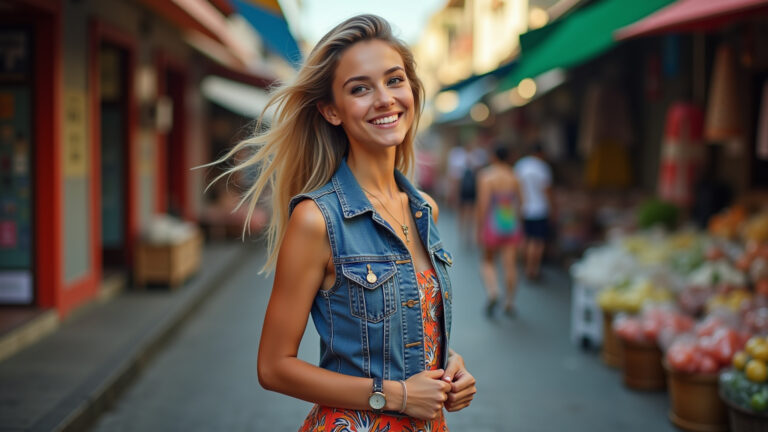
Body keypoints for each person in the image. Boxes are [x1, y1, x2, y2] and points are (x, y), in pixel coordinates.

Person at [209, 15, 475, 431]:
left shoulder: (425, 209)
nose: (385, 99)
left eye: (394, 80)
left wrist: (449, 366)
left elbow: (406, 329)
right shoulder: (317, 219)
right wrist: (400, 395)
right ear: (332, 111)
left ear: (412, 90)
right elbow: (273, 367)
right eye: (360, 89)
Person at [476, 144, 523, 316]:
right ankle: (509, 302)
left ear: (493, 157)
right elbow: (521, 203)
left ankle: (493, 291)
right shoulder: (514, 176)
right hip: (510, 221)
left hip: (492, 223)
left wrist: (479, 228)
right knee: (510, 264)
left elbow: (483, 205)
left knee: (487, 261)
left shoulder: (486, 176)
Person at [514, 143, 553, 281]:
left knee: (526, 238)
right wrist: (552, 207)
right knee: (538, 241)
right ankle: (533, 269)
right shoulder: (543, 168)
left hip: (525, 208)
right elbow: (547, 190)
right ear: (540, 153)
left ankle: (526, 267)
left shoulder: (521, 165)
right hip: (539, 209)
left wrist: (519, 205)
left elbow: (516, 188)